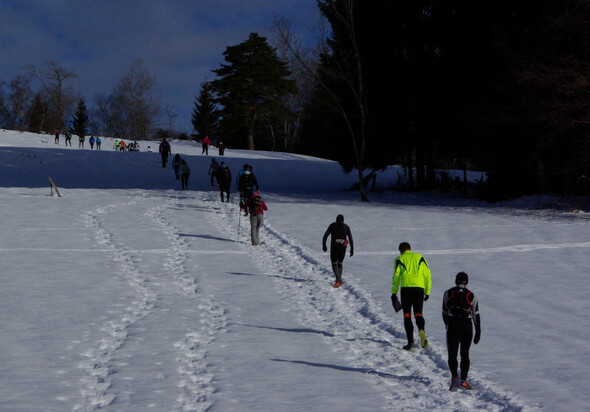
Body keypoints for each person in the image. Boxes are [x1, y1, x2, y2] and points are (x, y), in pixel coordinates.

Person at [443, 272, 481, 391]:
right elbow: (476, 314)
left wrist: (447, 325)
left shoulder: (448, 293)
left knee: (452, 354)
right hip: (467, 326)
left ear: (456, 281)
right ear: (466, 282)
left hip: (453, 324)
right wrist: (478, 331)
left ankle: (454, 377)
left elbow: (444, 311)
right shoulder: (471, 295)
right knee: (465, 354)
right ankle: (463, 380)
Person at [391, 242, 432, 351]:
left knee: (407, 315)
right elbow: (427, 274)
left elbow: (396, 277)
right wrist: (427, 291)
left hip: (406, 289)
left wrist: (394, 292)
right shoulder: (420, 257)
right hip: (419, 288)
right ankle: (421, 330)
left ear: (401, 250)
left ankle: (410, 343)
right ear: (410, 248)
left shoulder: (399, 259)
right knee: (418, 313)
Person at [322, 214, 354, 288]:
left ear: (336, 220)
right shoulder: (346, 227)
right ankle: (339, 279)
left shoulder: (332, 225)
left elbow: (325, 235)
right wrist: (352, 248)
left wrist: (324, 245)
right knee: (340, 263)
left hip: (334, 247)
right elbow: (350, 238)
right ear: (343, 220)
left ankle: (338, 279)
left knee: (334, 263)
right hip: (343, 247)